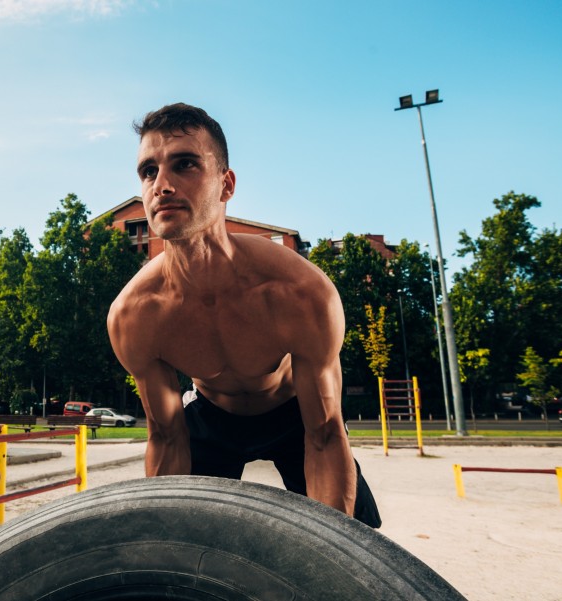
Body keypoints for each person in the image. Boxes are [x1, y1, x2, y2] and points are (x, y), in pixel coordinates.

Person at [107, 103, 381, 527]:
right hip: (213, 419)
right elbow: (166, 436)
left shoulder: (300, 292)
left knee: (356, 542)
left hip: (296, 413)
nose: (161, 185)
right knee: (187, 547)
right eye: (148, 171)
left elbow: (325, 432)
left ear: (226, 184)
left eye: (185, 164)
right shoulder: (136, 314)